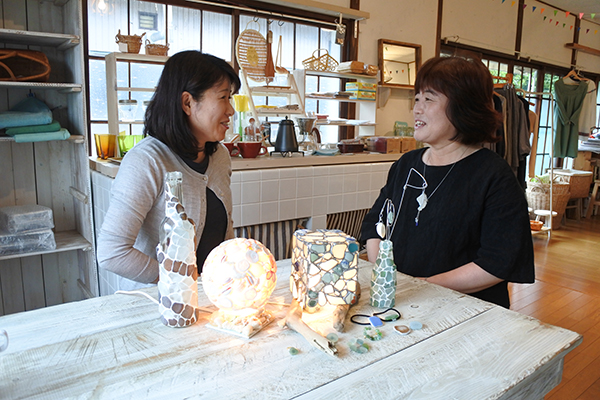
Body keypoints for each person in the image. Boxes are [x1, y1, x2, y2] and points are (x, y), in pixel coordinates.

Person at [360, 56, 534, 308]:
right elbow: (375, 224)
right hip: (400, 302)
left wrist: (421, 285)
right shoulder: (406, 164)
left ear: (464, 107)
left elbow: (499, 261)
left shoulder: (494, 176)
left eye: (429, 99)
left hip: (463, 311)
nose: (417, 109)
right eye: (417, 99)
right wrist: (385, 273)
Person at [97, 51, 240, 289]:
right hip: (159, 300)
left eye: (230, 98)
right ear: (187, 103)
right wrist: (181, 282)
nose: (231, 110)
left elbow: (225, 232)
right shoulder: (147, 161)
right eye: (223, 97)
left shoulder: (220, 157)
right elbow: (112, 252)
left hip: (212, 296)